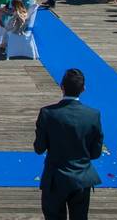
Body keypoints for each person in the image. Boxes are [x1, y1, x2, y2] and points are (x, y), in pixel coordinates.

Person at [33, 68, 103, 220]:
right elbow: (96, 153)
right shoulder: (93, 115)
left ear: (61, 86)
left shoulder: (47, 113)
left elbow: (39, 148)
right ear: (83, 89)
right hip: (82, 178)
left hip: (55, 179)